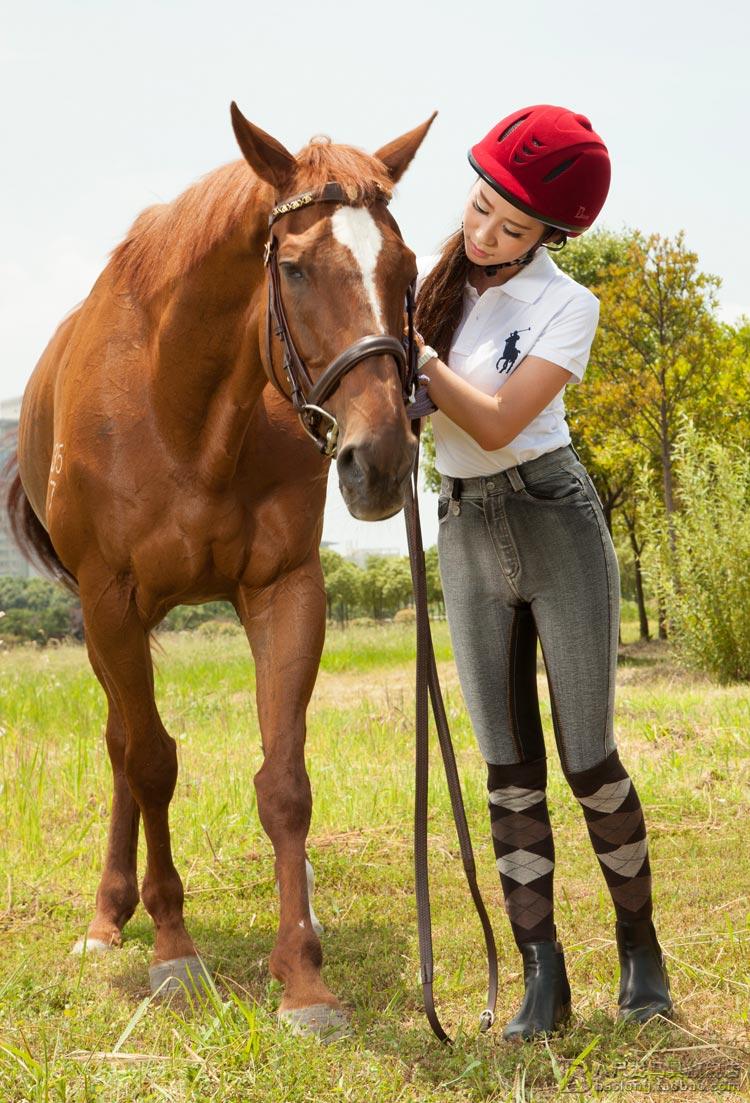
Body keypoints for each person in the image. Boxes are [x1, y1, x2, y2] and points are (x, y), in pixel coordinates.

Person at [408, 104, 673, 1042]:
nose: (483, 234)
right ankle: (541, 980)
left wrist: (421, 365)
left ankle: (640, 954)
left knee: (588, 759)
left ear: (549, 236)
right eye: (478, 208)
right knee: (507, 772)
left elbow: (494, 421)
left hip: (553, 521)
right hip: (467, 530)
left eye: (510, 226)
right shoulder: (425, 290)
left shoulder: (570, 305)